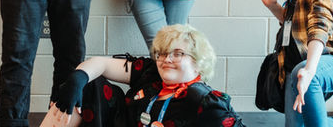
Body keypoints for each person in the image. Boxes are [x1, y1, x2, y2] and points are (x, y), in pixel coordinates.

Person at [43, 24, 244, 127]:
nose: (167, 59)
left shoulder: (203, 99)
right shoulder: (151, 73)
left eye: (178, 54)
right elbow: (101, 63)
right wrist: (77, 80)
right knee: (89, 85)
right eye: (163, 53)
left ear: (198, 62)